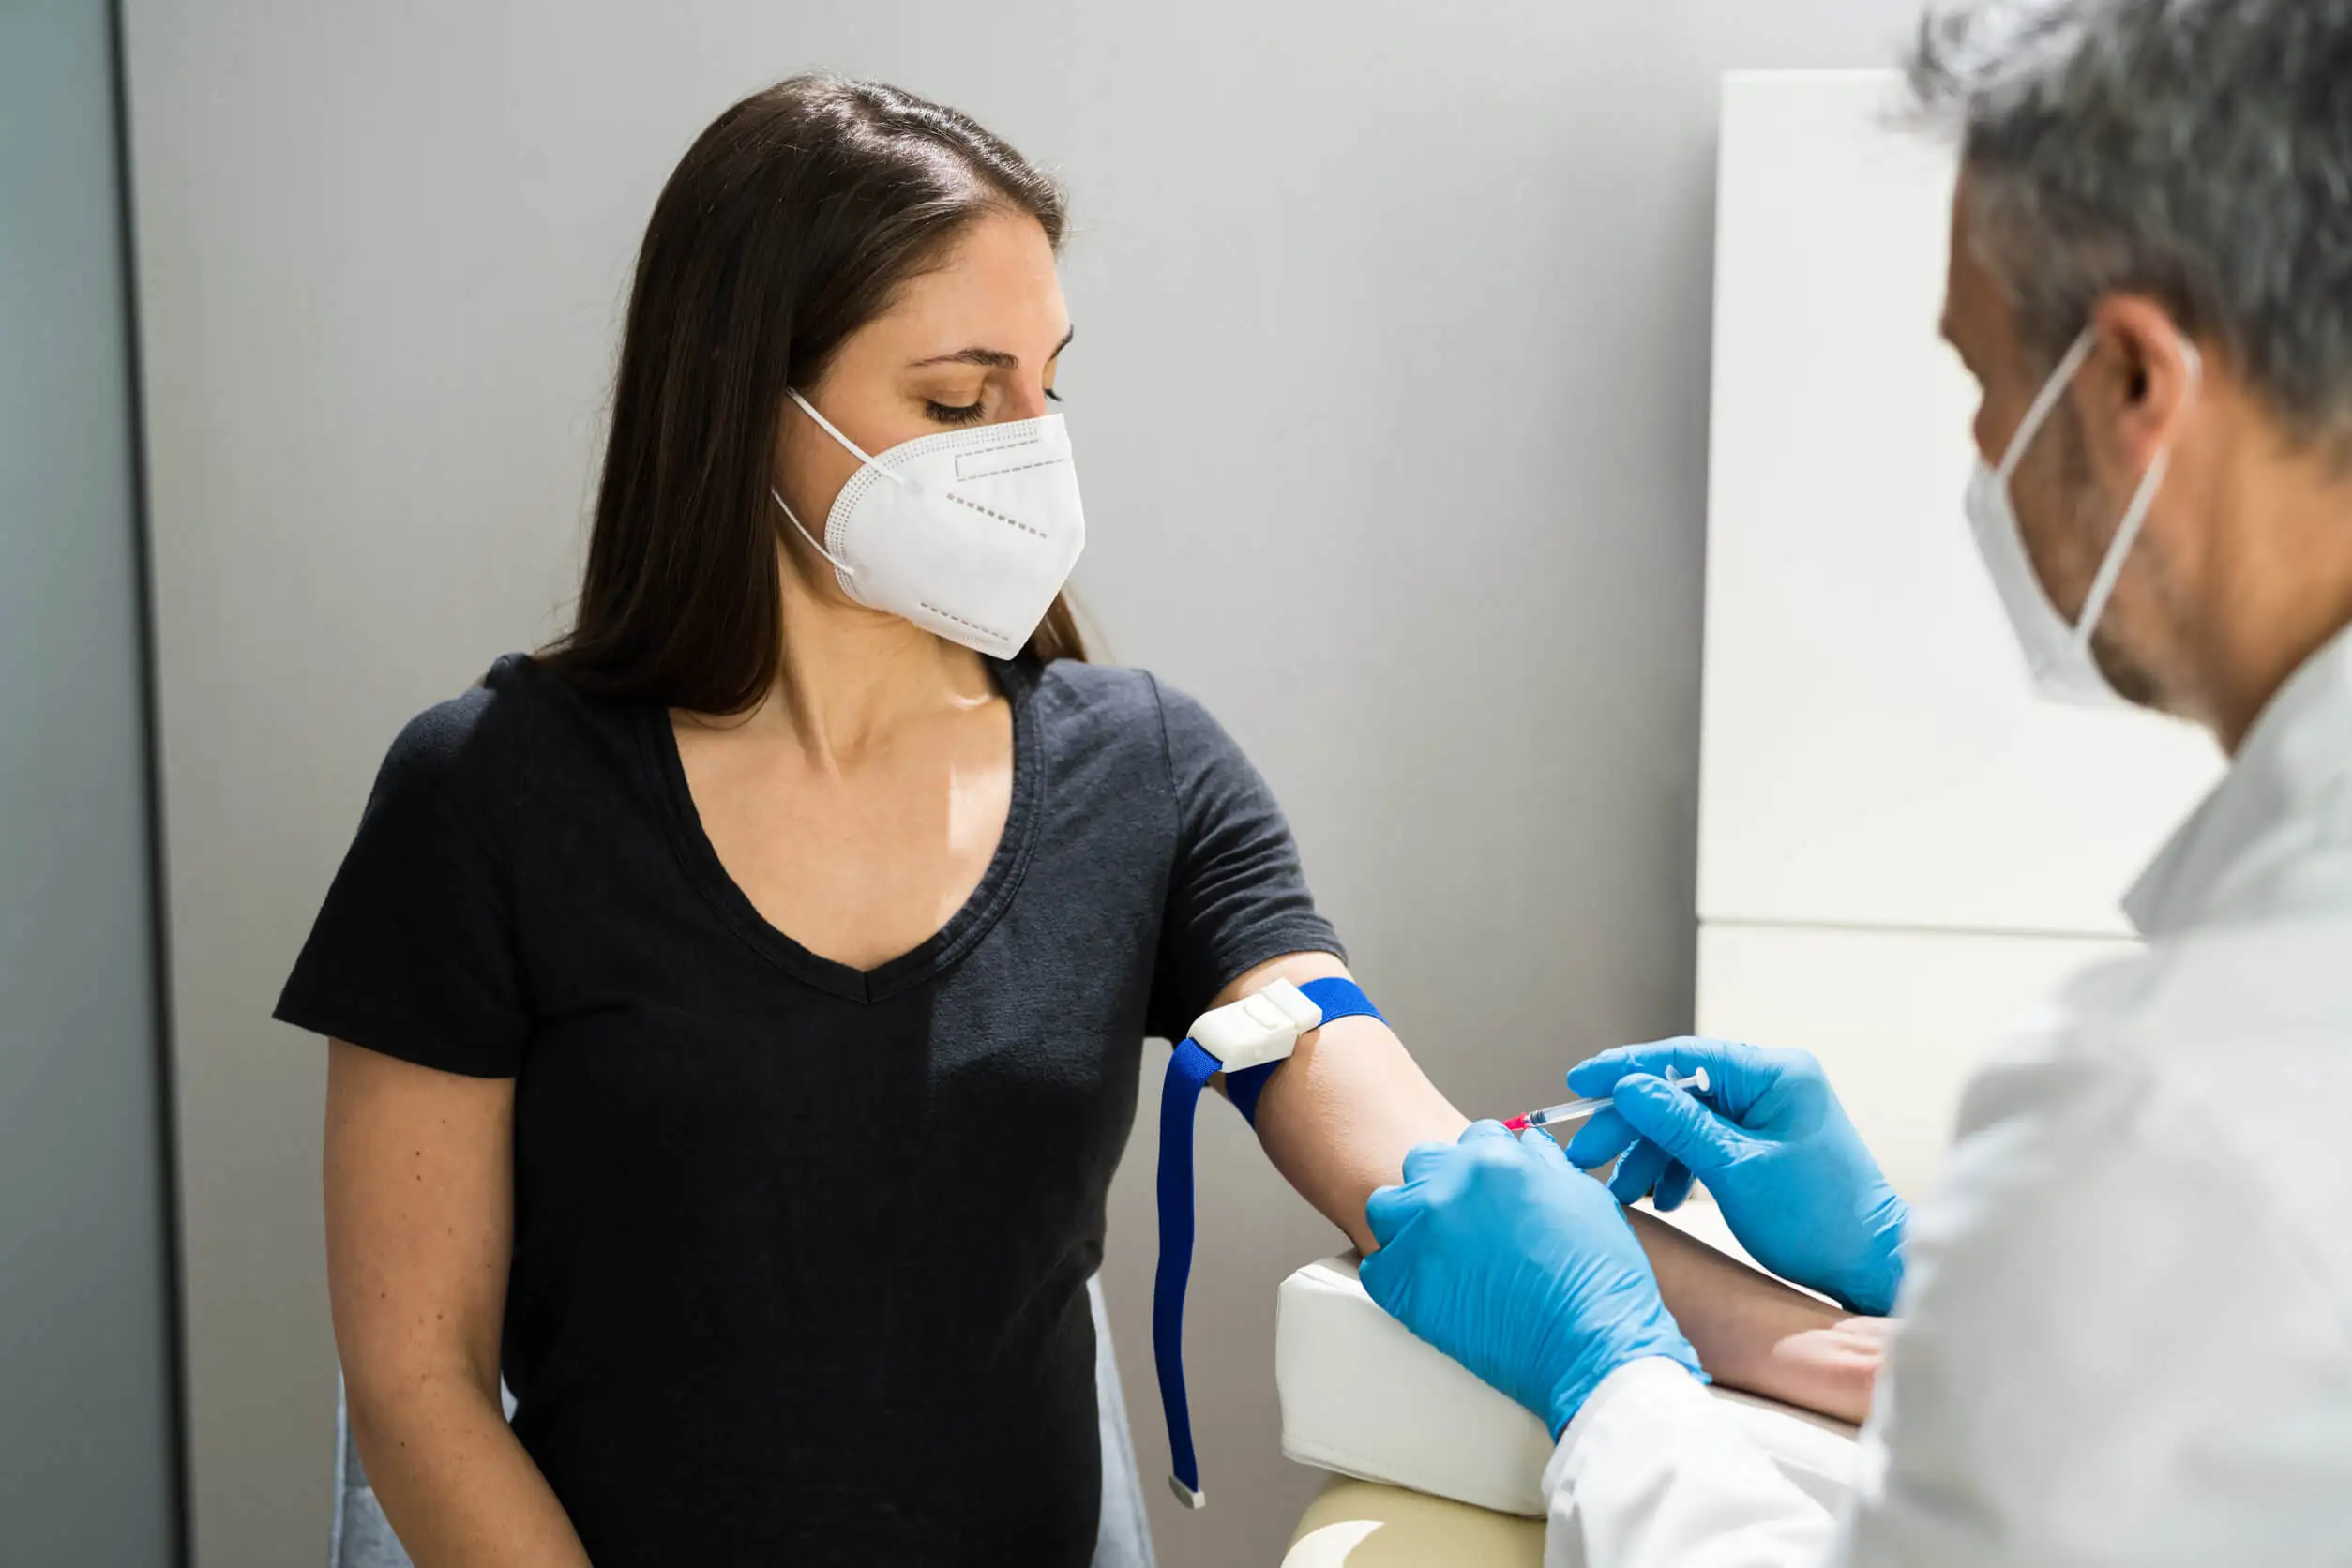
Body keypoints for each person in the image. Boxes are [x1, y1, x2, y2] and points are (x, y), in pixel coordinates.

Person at [280, 74, 1852, 1568]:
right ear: (741, 402)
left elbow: (1430, 1174)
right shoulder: (488, 800)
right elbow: (416, 1382)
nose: (1032, 448)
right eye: (965, 399)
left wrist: (1846, 1348)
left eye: (1048, 385)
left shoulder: (1142, 775)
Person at [1359, 2, 2352, 1562]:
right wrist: (1913, 1274)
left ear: (2138, 385)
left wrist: (1609, 1368)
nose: (1982, 452)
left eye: (1986, 378)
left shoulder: (2176, 1117)